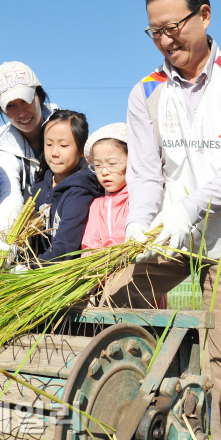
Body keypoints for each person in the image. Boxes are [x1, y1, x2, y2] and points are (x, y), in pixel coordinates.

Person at [105, 0, 221, 440]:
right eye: (153, 31)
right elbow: (145, 171)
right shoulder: (147, 91)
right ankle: (128, 412)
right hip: (168, 235)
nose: (164, 40)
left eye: (172, 27)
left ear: (204, 15)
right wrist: (141, 221)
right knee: (112, 299)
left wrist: (186, 210)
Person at [80, 123, 167, 308]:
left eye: (112, 164)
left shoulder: (142, 200)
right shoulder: (97, 206)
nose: (104, 171)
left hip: (142, 282)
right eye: (97, 166)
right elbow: (91, 247)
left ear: (133, 160)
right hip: (106, 288)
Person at [0, 61, 58, 251]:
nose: (21, 112)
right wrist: (0, 235)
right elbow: (9, 194)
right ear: (1, 109)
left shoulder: (67, 128)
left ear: (39, 95)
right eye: (10, 105)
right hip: (35, 239)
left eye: (25, 100)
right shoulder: (5, 147)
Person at [29, 109, 101, 266]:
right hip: (41, 271)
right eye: (49, 144)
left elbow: (65, 247)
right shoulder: (40, 186)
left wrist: (32, 269)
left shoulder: (80, 192)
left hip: (63, 275)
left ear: (82, 150)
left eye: (63, 145)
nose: (54, 152)